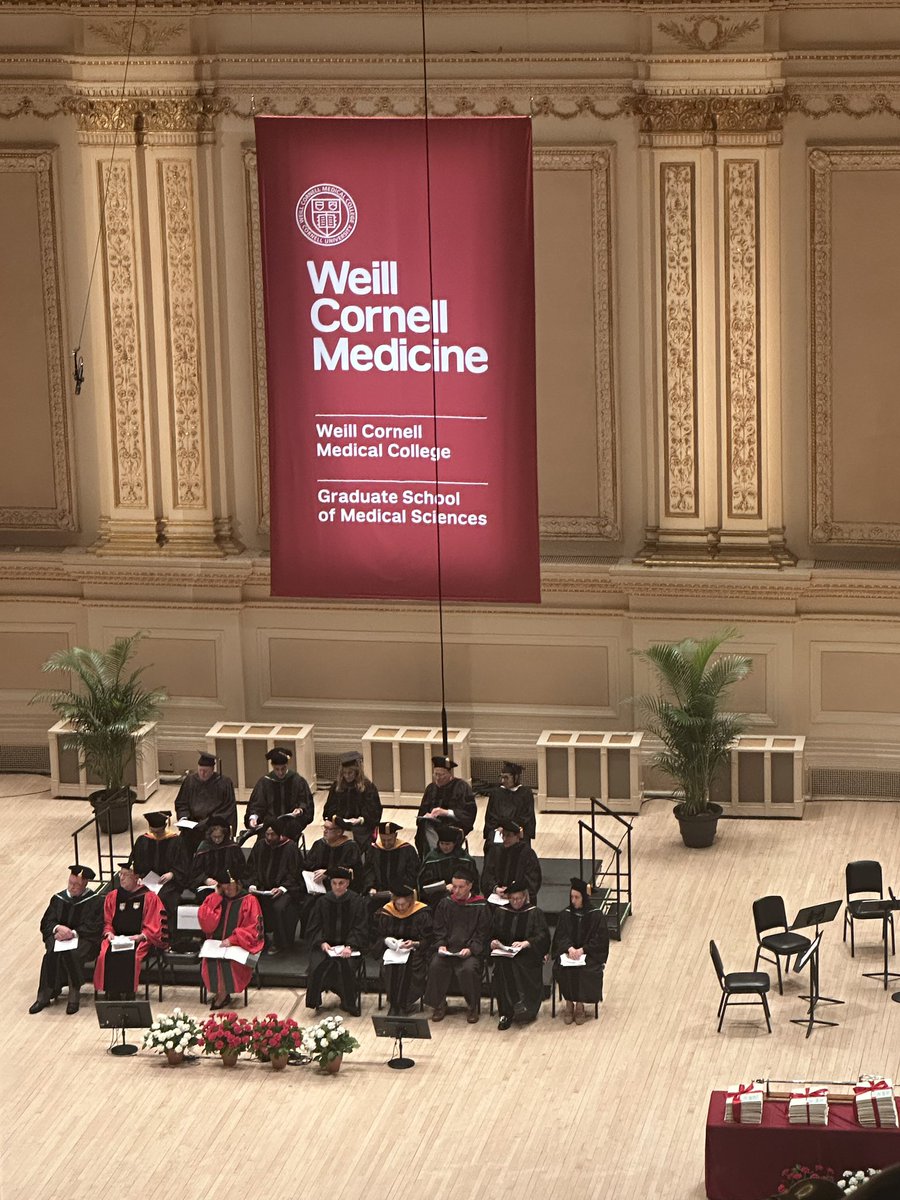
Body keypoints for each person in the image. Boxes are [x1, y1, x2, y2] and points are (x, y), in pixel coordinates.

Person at [30, 864, 103, 1015]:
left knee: (72, 955)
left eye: (76, 885)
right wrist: (57, 929)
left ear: (85, 884)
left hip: (83, 940)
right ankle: (44, 996)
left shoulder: (94, 901)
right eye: (70, 883)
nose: (72, 887)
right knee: (50, 955)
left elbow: (94, 926)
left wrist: (73, 933)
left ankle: (73, 999)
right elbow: (46, 922)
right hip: (59, 939)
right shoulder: (58, 899)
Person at [425, 862, 491, 1024]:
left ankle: (472, 1006)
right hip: (448, 950)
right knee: (435, 965)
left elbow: (483, 933)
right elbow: (438, 928)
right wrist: (441, 944)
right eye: (454, 886)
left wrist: (471, 949)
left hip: (469, 952)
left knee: (468, 969)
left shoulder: (481, 905)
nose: (456, 891)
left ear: (470, 886)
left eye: (461, 887)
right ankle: (439, 1004)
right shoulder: (446, 903)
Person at [93, 863, 166, 999]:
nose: (121, 878)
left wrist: (141, 936)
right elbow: (107, 922)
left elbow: (155, 925)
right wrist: (109, 933)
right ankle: (111, 992)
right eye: (120, 874)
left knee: (132, 955)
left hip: (139, 940)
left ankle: (128, 993)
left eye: (125, 875)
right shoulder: (113, 896)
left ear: (136, 877)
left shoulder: (149, 897)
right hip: (115, 939)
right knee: (105, 953)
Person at [305, 867, 369, 1016]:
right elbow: (314, 926)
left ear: (347, 883)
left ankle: (349, 1003)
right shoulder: (322, 901)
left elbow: (361, 927)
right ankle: (315, 1002)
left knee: (346, 965)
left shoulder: (357, 902)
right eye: (334, 883)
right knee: (317, 965)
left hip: (349, 948)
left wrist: (351, 946)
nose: (338, 887)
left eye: (341, 883)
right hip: (327, 946)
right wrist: (321, 942)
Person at [198, 870, 265, 1009]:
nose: (227, 890)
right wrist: (216, 895)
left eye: (230, 886)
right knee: (211, 961)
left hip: (241, 945)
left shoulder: (249, 900)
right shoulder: (216, 898)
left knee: (228, 963)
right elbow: (206, 924)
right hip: (217, 945)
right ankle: (222, 993)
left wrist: (232, 940)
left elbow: (252, 929)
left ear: (238, 884)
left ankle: (222, 995)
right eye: (224, 886)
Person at [489, 879, 550, 1029]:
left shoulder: (535, 912)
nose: (515, 902)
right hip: (505, 953)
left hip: (527, 955)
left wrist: (527, 943)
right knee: (503, 964)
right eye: (512, 898)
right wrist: (493, 942)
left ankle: (525, 1009)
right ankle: (507, 1012)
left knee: (515, 964)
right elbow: (492, 933)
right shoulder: (501, 912)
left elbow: (543, 936)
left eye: (519, 898)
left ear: (525, 897)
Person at [551, 877, 609, 1025]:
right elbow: (560, 936)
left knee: (584, 970)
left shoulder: (596, 915)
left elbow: (599, 940)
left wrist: (582, 950)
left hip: (588, 954)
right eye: (572, 897)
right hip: (569, 954)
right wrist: (569, 948)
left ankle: (580, 1005)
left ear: (584, 897)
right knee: (564, 968)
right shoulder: (566, 914)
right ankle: (569, 1003)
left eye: (577, 897)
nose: (573, 900)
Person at [372, 885, 433, 1015]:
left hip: (415, 953)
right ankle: (394, 1004)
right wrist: (386, 941)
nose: (400, 908)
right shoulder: (386, 912)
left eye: (403, 904)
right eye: (397, 904)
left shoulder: (421, 913)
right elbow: (377, 935)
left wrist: (415, 944)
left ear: (411, 901)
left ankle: (405, 1004)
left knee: (410, 967)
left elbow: (429, 939)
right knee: (390, 967)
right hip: (392, 953)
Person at [246, 816, 302, 954]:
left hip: (285, 890)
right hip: (262, 888)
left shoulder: (290, 848)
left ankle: (280, 942)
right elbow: (251, 868)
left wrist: (283, 888)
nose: (269, 838)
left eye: (273, 834)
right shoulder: (260, 845)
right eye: (267, 834)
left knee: (279, 907)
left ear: (280, 834)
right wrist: (253, 884)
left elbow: (295, 874)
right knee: (249, 902)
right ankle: (259, 938)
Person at [128, 810, 188, 934]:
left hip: (169, 883)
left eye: (159, 832)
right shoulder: (143, 840)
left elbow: (184, 864)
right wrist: (138, 876)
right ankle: (141, 932)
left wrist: (172, 874)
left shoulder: (176, 841)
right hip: (148, 880)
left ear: (165, 826)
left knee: (163, 898)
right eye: (153, 831)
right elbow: (136, 862)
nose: (156, 834)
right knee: (137, 895)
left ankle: (163, 934)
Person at [245, 747, 314, 842]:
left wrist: (300, 809)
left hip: (291, 822)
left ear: (287, 765)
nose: (280, 772)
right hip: (270, 822)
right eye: (277, 769)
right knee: (265, 836)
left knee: (289, 833)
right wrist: (253, 818)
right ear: (272, 766)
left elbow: (304, 801)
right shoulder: (265, 782)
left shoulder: (297, 780)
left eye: (283, 768)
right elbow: (257, 804)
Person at [174, 752, 237, 852]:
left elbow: (228, 808)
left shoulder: (224, 783)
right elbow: (182, 803)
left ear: (212, 770)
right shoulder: (190, 780)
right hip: (192, 824)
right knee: (182, 841)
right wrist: (184, 817)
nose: (202, 774)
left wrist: (208, 821)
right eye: (200, 770)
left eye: (206, 771)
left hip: (213, 825)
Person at [415, 755, 477, 856]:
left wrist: (446, 812)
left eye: (441, 775)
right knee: (424, 827)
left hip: (453, 825)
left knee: (444, 833)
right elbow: (422, 811)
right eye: (436, 774)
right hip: (432, 826)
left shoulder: (461, 787)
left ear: (449, 773)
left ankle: (437, 856)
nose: (438, 778)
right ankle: (431, 858)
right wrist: (426, 816)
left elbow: (469, 813)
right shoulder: (431, 788)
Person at [323, 751, 382, 850]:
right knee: (329, 836)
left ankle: (352, 863)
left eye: (350, 773)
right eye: (344, 773)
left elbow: (374, 812)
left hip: (361, 826)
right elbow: (329, 808)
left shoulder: (367, 787)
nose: (347, 776)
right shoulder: (337, 786)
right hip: (339, 823)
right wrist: (336, 818)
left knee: (353, 843)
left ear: (357, 772)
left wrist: (360, 819)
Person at [481, 819, 542, 904]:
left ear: (517, 836)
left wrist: (513, 892)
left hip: (520, 901)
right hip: (497, 898)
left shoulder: (527, 854)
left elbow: (533, 880)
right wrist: (495, 888)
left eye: (508, 835)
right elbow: (487, 875)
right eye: (503, 835)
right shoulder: (495, 852)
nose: (505, 839)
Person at [482, 761, 536, 855]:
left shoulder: (525, 793)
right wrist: (498, 828)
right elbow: (491, 816)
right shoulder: (496, 793)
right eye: (501, 777)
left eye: (506, 777)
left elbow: (527, 816)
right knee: (491, 845)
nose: (503, 781)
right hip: (498, 831)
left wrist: (511, 829)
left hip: (517, 831)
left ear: (515, 777)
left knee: (522, 847)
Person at [416, 823, 477, 905]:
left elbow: (473, 884)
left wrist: (455, 886)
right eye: (442, 843)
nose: (445, 847)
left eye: (448, 844)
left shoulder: (465, 860)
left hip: (461, 899)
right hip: (436, 899)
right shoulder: (431, 859)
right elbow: (423, 883)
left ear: (454, 844)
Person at [364, 821, 420, 908]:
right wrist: (371, 887)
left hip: (401, 894)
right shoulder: (374, 850)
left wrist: (400, 890)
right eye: (383, 840)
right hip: (378, 892)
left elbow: (412, 873)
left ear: (396, 835)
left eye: (389, 840)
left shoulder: (407, 850)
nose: (386, 843)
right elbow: (369, 871)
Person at [188, 814, 248, 895]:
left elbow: (241, 870)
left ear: (225, 834)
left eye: (220, 836)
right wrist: (205, 879)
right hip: (208, 887)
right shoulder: (204, 848)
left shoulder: (233, 848)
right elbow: (195, 872)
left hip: (230, 885)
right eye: (214, 837)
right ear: (209, 835)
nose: (217, 840)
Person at [303, 818, 364, 895]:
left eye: (328, 829)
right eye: (324, 827)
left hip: (341, 890)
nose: (325, 831)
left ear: (339, 832)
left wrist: (328, 873)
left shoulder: (350, 847)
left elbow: (352, 872)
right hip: (317, 886)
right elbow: (308, 864)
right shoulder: (319, 844)